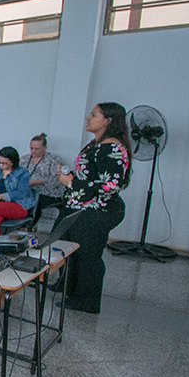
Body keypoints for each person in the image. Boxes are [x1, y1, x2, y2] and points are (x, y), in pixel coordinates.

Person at [53, 103, 132, 315]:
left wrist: (71, 182)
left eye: (94, 115)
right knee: (71, 251)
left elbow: (110, 186)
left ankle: (86, 300)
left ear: (108, 120)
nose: (88, 118)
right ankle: (69, 287)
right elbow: (90, 175)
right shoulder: (96, 143)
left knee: (88, 255)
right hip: (80, 207)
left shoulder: (113, 148)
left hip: (98, 211)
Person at [23, 133, 64, 222]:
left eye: (37, 149)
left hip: (48, 193)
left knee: (35, 201)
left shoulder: (54, 160)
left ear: (45, 147)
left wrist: (35, 182)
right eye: (31, 148)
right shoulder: (24, 159)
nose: (33, 151)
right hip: (28, 191)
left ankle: (29, 224)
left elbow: (56, 180)